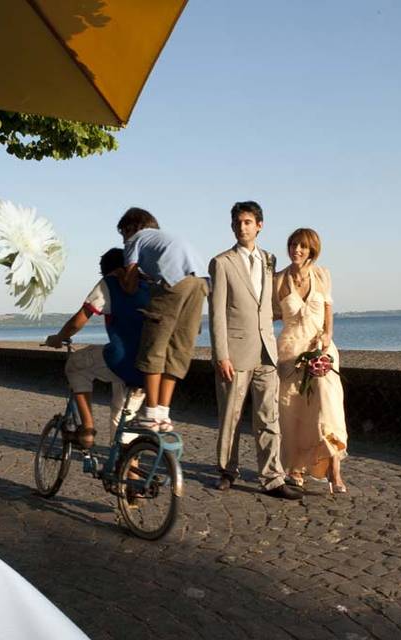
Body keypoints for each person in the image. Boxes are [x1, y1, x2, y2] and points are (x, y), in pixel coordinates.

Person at [208, 201, 301, 500]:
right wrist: (221, 354)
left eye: (247, 221)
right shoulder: (221, 262)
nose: (241, 226)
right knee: (231, 416)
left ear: (259, 225)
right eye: (237, 222)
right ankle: (227, 470)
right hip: (234, 352)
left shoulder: (269, 260)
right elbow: (217, 313)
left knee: (268, 416)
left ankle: (272, 477)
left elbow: (270, 306)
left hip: (267, 350)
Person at [45, 248, 149, 448]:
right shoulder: (149, 284)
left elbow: (79, 320)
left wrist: (59, 338)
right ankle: (128, 469)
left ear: (108, 271)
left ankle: (87, 430)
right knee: (122, 420)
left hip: (122, 361)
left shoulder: (110, 283)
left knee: (75, 364)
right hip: (148, 367)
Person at [118, 207, 209, 432]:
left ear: (130, 227)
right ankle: (163, 414)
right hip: (200, 282)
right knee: (178, 349)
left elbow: (129, 286)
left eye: (122, 234)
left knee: (154, 346)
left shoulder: (135, 240)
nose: (123, 240)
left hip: (173, 282)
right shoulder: (165, 237)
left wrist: (123, 275)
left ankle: (149, 413)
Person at [274, 228, 349, 493]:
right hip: (290, 352)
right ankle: (295, 468)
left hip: (321, 350)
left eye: (302, 246)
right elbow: (268, 315)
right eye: (293, 244)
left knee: (328, 406)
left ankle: (334, 470)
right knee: (292, 410)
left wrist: (327, 336)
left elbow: (329, 312)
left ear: (312, 249)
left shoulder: (322, 275)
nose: (297, 250)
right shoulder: (279, 280)